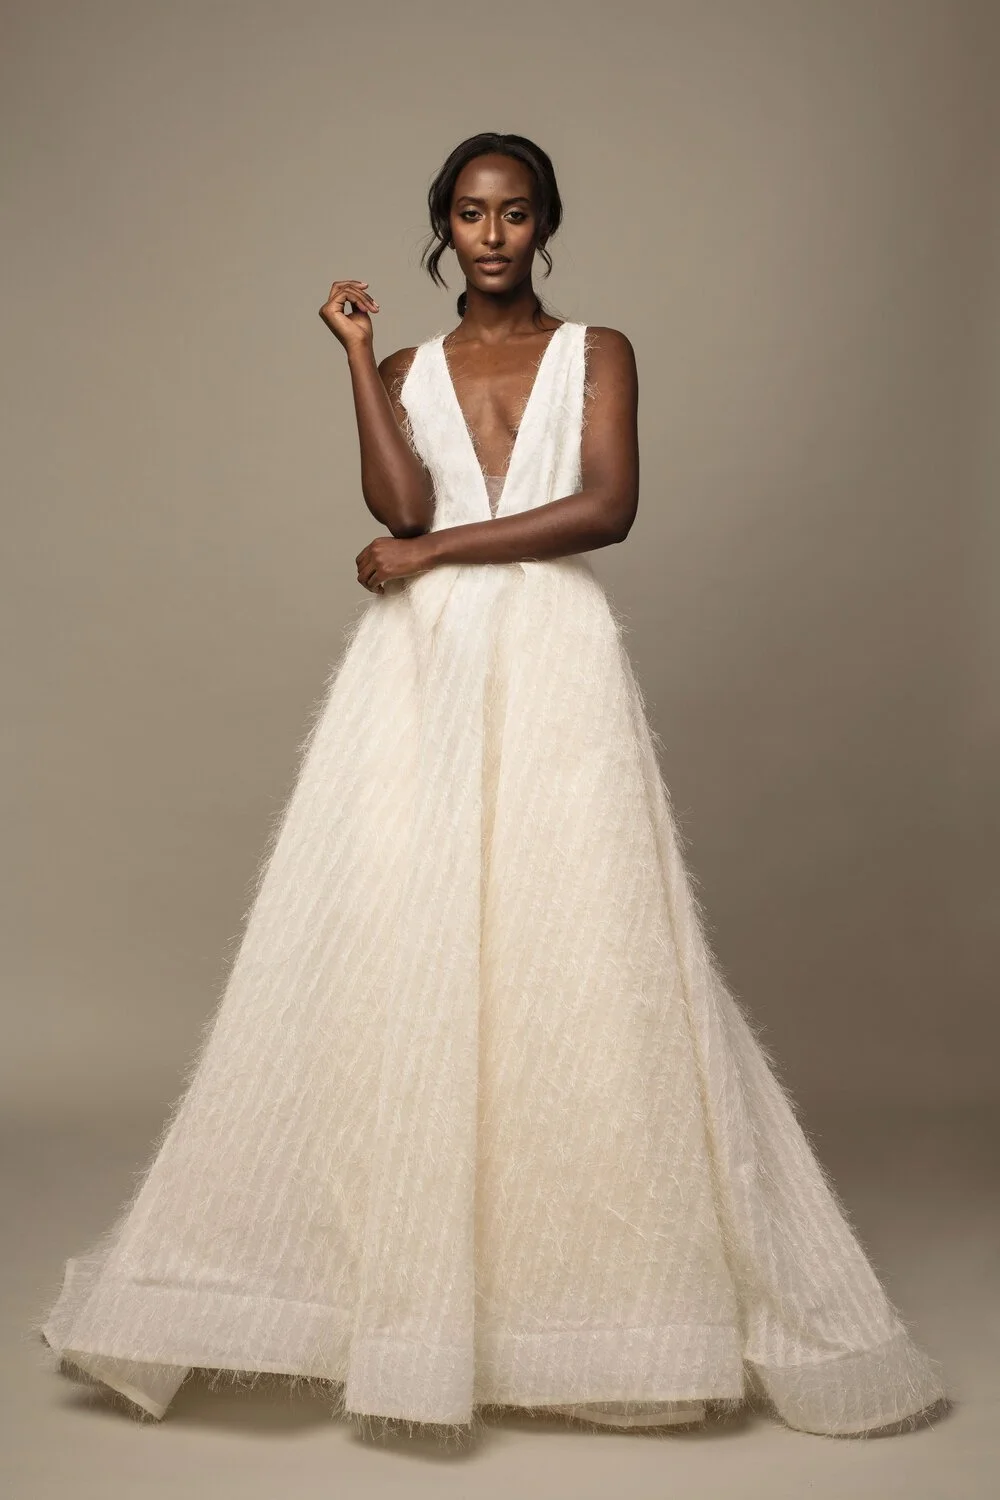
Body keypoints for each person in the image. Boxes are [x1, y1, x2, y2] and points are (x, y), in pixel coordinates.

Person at [37, 132, 947, 1440]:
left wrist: (436, 555)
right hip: (419, 671)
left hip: (558, 660)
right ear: (443, 228)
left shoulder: (599, 352)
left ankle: (598, 1305)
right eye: (470, 214)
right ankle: (412, 1304)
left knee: (576, 944)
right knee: (404, 946)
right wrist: (356, 360)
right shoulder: (408, 365)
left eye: (515, 213)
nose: (492, 234)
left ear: (546, 225)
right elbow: (397, 506)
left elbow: (608, 507)